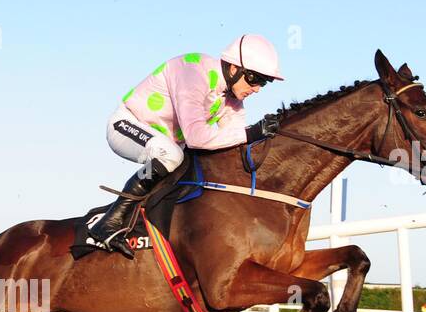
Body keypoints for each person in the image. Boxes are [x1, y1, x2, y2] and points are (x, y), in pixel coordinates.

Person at [88, 35, 284, 258]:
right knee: (171, 155)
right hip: (126, 124)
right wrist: (252, 132)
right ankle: (109, 221)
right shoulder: (193, 71)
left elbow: (236, 141)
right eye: (254, 79)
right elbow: (197, 138)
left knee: (193, 163)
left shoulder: (232, 100)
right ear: (233, 69)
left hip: (168, 144)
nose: (257, 88)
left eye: (263, 82)